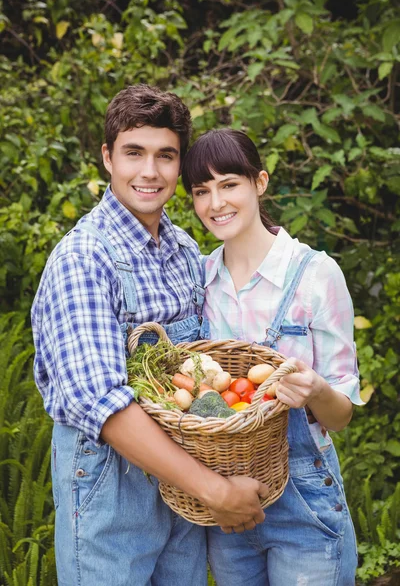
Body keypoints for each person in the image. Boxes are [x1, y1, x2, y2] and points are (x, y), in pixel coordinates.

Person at [31, 88, 269, 586]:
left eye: (166, 155)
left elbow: (206, 377)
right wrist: (216, 491)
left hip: (182, 499)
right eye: (133, 152)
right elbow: (103, 405)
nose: (150, 172)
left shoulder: (183, 249)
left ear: (180, 165)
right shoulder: (84, 259)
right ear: (107, 157)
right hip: (111, 497)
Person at [182, 128, 364, 586]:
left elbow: (340, 416)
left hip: (305, 499)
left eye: (228, 184)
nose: (215, 203)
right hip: (229, 506)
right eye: (201, 191)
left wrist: (317, 390)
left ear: (259, 183)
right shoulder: (200, 280)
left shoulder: (316, 275)